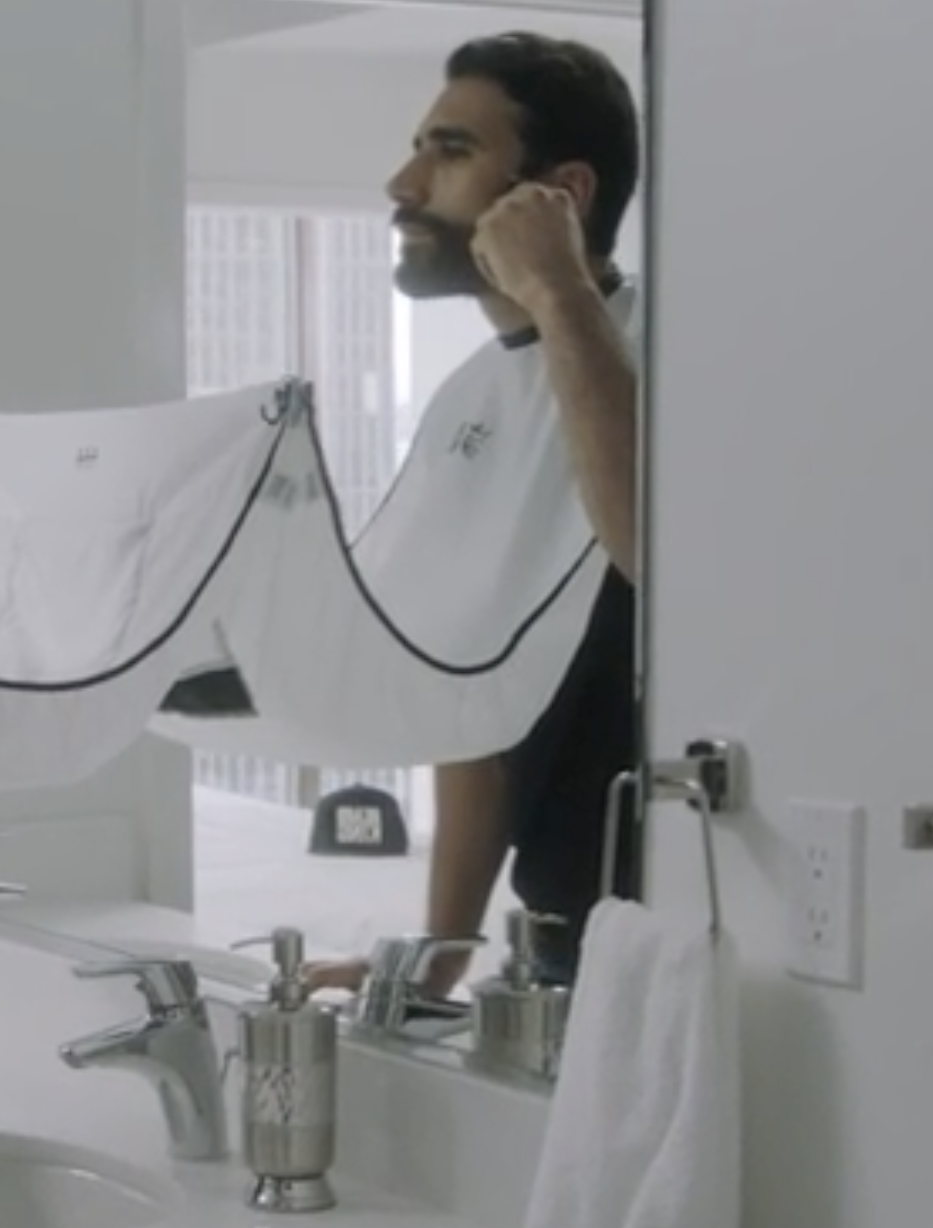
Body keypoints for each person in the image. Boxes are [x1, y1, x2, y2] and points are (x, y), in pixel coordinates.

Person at [307, 32, 645, 997]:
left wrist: (556, 286)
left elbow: (652, 548)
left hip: (698, 917)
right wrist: (438, 957)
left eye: (451, 152)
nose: (403, 182)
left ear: (561, 194)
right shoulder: (466, 399)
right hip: (561, 936)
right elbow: (472, 698)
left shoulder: (670, 351)